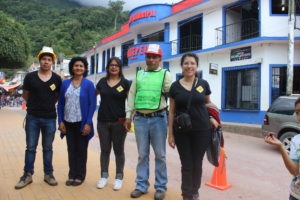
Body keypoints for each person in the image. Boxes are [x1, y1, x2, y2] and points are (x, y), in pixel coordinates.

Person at [168, 53, 218, 200]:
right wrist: (170, 134)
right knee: (186, 164)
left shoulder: (203, 84)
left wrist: (212, 117)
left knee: (197, 163)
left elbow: (207, 104)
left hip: (202, 130)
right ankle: (186, 194)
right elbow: (171, 112)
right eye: (186, 63)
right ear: (182, 66)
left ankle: (195, 191)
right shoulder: (175, 86)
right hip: (182, 131)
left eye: (192, 63)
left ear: (197, 66)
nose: (189, 66)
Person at [125, 44, 172, 200]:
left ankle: (160, 187)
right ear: (146, 58)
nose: (151, 59)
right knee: (142, 155)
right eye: (148, 56)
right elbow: (131, 95)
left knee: (160, 155)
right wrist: (128, 115)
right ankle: (141, 185)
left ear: (160, 59)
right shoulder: (139, 75)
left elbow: (172, 95)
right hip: (140, 120)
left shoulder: (165, 74)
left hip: (159, 119)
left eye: (154, 57)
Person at [15, 46, 62, 189]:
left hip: (49, 118)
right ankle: (27, 175)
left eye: (49, 59)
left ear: (52, 62)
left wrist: (46, 105)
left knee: (48, 148)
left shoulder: (56, 79)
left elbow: (56, 97)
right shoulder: (30, 77)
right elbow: (25, 95)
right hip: (33, 118)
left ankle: (48, 174)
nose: (46, 62)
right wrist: (35, 106)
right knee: (30, 147)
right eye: (44, 59)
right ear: (40, 60)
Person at [57, 57, 96, 186]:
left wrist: (88, 123)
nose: (78, 68)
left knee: (81, 150)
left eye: (81, 66)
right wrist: (60, 121)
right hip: (68, 122)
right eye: (76, 65)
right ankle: (72, 175)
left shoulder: (89, 84)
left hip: (82, 123)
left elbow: (92, 105)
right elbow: (60, 104)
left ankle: (80, 176)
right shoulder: (65, 83)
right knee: (71, 149)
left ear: (84, 68)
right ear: (72, 68)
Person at [96, 57, 131, 190]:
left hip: (119, 122)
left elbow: (131, 102)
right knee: (104, 150)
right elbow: (91, 95)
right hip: (102, 122)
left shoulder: (125, 83)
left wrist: (129, 118)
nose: (114, 67)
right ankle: (104, 176)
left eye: (116, 65)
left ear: (120, 68)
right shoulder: (102, 82)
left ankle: (118, 177)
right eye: (111, 65)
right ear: (108, 67)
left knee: (118, 151)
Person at [265, 97, 300, 200]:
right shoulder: (296, 140)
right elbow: (294, 171)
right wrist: (281, 146)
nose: (299, 117)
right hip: (296, 195)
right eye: (297, 112)